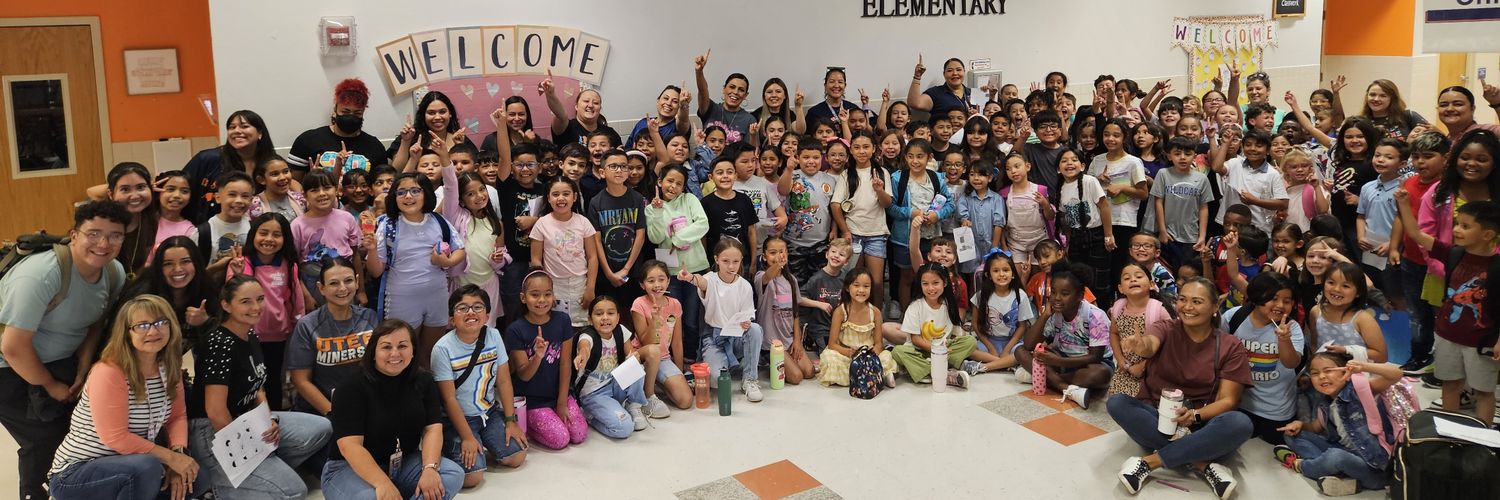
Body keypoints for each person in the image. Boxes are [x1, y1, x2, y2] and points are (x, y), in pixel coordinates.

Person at [0, 200, 128, 500]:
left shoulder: (113, 273)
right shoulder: (41, 274)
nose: (103, 243)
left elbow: (95, 324)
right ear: (74, 235)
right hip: (8, 368)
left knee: (81, 435)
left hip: (61, 361)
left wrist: (83, 369)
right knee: (43, 439)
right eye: (93, 233)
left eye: (115, 235)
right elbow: (13, 346)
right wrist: (50, 385)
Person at [186, 275, 330, 498]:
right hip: (211, 431)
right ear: (226, 305)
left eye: (260, 299)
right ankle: (215, 484)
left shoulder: (249, 333)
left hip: (245, 419)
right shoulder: (219, 344)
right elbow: (215, 411)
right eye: (245, 302)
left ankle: (257, 476)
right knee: (294, 492)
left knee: (320, 429)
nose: (256, 307)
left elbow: (258, 386)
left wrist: (268, 418)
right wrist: (248, 447)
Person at [1110, 277, 1252, 500]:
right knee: (1117, 403)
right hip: (1158, 418)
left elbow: (1228, 400)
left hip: (1201, 422)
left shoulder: (1229, 346)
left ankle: (1151, 462)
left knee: (1240, 423)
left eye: (1196, 301)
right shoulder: (1166, 328)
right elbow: (1150, 345)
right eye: (1182, 300)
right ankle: (1203, 464)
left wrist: (1195, 416)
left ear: (1215, 307)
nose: (1187, 307)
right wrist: (1141, 345)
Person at [46, 295, 199, 500]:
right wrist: (171, 458)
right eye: (142, 325)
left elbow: (177, 416)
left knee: (194, 479)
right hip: (76, 474)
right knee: (146, 468)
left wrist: (178, 455)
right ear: (126, 334)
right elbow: (116, 438)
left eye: (161, 323)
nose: (153, 331)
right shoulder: (109, 372)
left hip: (131, 466)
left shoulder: (169, 367)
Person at [321, 319, 464, 500]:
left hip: (403, 462)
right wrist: (382, 483)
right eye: (386, 347)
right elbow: (349, 446)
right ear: (373, 352)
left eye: (402, 346)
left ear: (413, 351)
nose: (395, 353)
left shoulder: (424, 381)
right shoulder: (351, 388)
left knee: (452, 474)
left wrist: (429, 468)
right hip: (348, 467)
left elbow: (433, 429)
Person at [367, 172, 466, 368]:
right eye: (401, 192)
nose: (408, 197)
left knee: (431, 354)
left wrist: (445, 262)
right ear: (393, 197)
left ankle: (429, 394)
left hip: (437, 297)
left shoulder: (438, 221)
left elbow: (460, 251)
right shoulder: (387, 225)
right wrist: (371, 250)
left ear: (426, 194)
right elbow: (376, 271)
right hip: (401, 298)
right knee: (403, 355)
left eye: (415, 190)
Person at [432, 285, 526, 487]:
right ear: (451, 318)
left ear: (487, 315)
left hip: (488, 413)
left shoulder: (493, 336)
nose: (471, 312)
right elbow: (448, 398)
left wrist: (510, 421)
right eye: (462, 308)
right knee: (472, 478)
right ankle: (451, 444)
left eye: (477, 307)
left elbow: (503, 381)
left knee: (516, 457)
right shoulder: (442, 348)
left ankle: (482, 440)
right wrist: (466, 437)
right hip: (457, 419)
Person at [1273, 353, 1400, 495]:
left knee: (1336, 456)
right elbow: (1315, 427)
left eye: (1328, 371)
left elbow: (1396, 374)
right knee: (1292, 435)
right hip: (1346, 453)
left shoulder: (1359, 390)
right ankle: (1338, 476)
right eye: (1315, 373)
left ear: (1345, 372)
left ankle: (1302, 466)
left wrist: (1363, 366)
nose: (1321, 376)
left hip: (1374, 469)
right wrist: (1300, 425)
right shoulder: (1326, 404)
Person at [231, 213, 310, 411]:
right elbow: (233, 295)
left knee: (273, 378)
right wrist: (237, 272)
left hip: (278, 336)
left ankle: (274, 419)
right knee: (250, 380)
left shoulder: (288, 264)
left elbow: (295, 298)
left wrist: (297, 324)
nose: (269, 239)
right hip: (247, 336)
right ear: (253, 235)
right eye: (263, 233)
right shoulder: (243, 262)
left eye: (277, 234)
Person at [503, 271, 587, 450]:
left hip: (558, 393)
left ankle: (556, 410)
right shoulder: (515, 330)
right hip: (533, 400)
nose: (542, 300)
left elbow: (565, 364)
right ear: (523, 297)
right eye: (535, 295)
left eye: (547, 294)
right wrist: (537, 356)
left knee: (578, 434)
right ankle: (528, 422)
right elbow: (524, 375)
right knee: (560, 439)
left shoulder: (562, 320)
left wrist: (562, 402)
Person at [286, 257, 377, 416]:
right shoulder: (307, 326)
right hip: (322, 411)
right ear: (321, 288)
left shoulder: (370, 317)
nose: (342, 288)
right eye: (334, 283)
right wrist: (334, 414)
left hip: (365, 405)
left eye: (348, 281)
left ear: (356, 282)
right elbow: (301, 380)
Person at [1015, 264, 1113, 408]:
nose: (1056, 298)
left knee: (1101, 375)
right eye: (1053, 292)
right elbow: (1028, 345)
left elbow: (1095, 357)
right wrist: (1045, 315)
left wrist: (1058, 361)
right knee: (1019, 351)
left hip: (1090, 363)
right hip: (1062, 358)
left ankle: (1042, 377)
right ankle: (1065, 388)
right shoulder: (1054, 313)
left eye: (1065, 293)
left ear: (1080, 296)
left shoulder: (1095, 316)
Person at [1223, 272, 1303, 445]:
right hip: (1239, 404)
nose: (1280, 305)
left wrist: (1284, 339)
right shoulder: (1234, 317)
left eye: (1287, 301)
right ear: (1258, 297)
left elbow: (1291, 363)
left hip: (1276, 410)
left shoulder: (1292, 328)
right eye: (1273, 298)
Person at [680, 239, 765, 402]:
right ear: (716, 259)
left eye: (736, 261)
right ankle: (727, 363)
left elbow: (748, 315)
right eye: (726, 261)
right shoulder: (710, 279)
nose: (731, 266)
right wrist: (690, 277)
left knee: (754, 329)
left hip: (737, 336)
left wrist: (746, 322)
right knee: (716, 380)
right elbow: (702, 283)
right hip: (715, 338)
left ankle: (750, 379)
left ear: (741, 261)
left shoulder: (745, 286)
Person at [179, 111, 279, 224]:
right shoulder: (207, 158)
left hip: (257, 235)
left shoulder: (272, 162)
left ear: (260, 133)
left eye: (244, 126)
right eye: (232, 127)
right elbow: (180, 185)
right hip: (207, 231)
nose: (237, 131)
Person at [572, 296, 650, 438]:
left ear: (618, 316)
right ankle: (590, 416)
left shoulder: (620, 330)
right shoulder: (588, 335)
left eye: (610, 313)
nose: (605, 318)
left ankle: (634, 405)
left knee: (636, 367)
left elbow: (632, 355)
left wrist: (635, 358)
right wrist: (582, 354)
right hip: (594, 393)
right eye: (599, 313)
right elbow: (584, 345)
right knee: (625, 428)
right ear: (590, 319)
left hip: (614, 384)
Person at [889, 263, 974, 388]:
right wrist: (936, 350)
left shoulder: (949, 304)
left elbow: (954, 332)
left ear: (944, 283)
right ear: (920, 285)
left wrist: (946, 348)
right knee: (898, 351)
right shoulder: (915, 307)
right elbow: (916, 340)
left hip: (944, 349)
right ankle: (944, 374)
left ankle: (924, 369)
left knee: (970, 341)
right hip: (919, 351)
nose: (931, 288)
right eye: (925, 284)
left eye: (935, 283)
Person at [528, 177, 600, 327]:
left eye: (566, 194)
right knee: (555, 325)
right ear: (548, 198)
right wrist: (546, 291)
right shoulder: (542, 223)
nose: (561, 198)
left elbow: (593, 257)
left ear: (574, 197)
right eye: (555, 194)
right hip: (553, 284)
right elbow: (536, 260)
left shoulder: (583, 222)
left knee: (582, 325)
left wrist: (590, 288)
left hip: (580, 284)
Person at [287, 78, 387, 179]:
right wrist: (312, 180)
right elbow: (293, 182)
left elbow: (382, 184)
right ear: (335, 109)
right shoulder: (307, 140)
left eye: (357, 113)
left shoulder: (375, 146)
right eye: (345, 112)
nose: (351, 117)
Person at [966, 250, 1035, 375]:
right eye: (996, 271)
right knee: (968, 350)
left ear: (1013, 274)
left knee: (1022, 353)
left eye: (1006, 270)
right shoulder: (980, 296)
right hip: (988, 341)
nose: (1001, 274)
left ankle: (983, 367)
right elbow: (975, 325)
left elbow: (1022, 327)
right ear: (988, 275)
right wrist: (990, 347)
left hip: (1012, 342)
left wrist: (1007, 348)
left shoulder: (1020, 295)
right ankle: (1004, 363)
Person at [756, 237, 814, 384]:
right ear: (764, 256)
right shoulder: (760, 277)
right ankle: (766, 360)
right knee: (796, 377)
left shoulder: (791, 280)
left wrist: (797, 342)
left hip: (788, 339)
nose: (778, 256)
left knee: (809, 372)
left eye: (782, 252)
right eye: (772, 253)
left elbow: (795, 313)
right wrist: (778, 264)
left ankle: (786, 360)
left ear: (787, 254)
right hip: (771, 342)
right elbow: (769, 275)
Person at [104, 163, 159, 278]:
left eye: (140, 187)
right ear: (110, 194)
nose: (134, 196)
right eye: (125, 189)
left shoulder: (154, 220)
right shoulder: (100, 223)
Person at [539, 72, 619, 148]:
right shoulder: (567, 127)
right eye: (586, 101)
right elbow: (560, 115)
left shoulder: (609, 132)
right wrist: (551, 94)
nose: (590, 105)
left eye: (595, 103)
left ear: (600, 109)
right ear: (576, 106)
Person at [692, 49, 755, 139]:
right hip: (707, 153)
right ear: (724, 89)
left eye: (741, 90)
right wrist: (699, 72)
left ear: (745, 95)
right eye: (732, 87)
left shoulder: (749, 119)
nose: (736, 92)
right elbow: (702, 90)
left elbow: (750, 150)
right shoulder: (710, 108)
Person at [906, 56, 973, 119]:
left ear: (964, 72)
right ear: (944, 74)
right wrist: (917, 77)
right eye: (950, 70)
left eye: (958, 70)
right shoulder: (936, 93)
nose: (955, 73)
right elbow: (914, 103)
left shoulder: (972, 93)